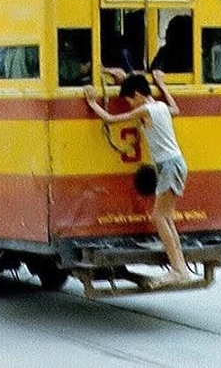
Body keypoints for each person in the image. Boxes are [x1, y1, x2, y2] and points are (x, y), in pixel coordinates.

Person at [83, 71, 195, 288]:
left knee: (159, 217)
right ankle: (180, 267)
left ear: (137, 96)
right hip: (176, 163)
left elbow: (111, 119)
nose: (131, 106)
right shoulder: (161, 107)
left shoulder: (145, 109)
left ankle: (178, 270)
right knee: (166, 218)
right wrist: (161, 84)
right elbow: (176, 109)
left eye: (129, 101)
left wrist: (92, 102)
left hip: (169, 165)